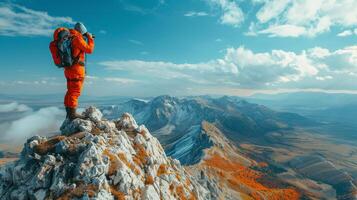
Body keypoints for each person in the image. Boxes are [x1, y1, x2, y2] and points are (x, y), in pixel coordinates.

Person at [64, 22, 94, 120]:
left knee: (70, 91)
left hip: (68, 69)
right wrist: (90, 38)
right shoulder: (77, 38)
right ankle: (72, 114)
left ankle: (69, 112)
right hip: (76, 69)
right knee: (75, 92)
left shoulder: (68, 38)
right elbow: (89, 49)